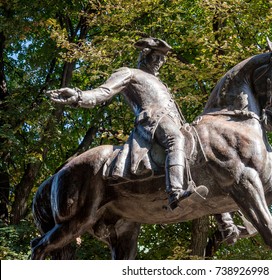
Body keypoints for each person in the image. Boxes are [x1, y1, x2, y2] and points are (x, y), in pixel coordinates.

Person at [48, 37, 190, 210]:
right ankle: (175, 191)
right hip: (152, 121)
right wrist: (78, 97)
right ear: (145, 54)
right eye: (156, 57)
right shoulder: (129, 73)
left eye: (163, 59)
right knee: (175, 139)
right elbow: (103, 92)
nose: (160, 62)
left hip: (174, 121)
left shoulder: (161, 83)